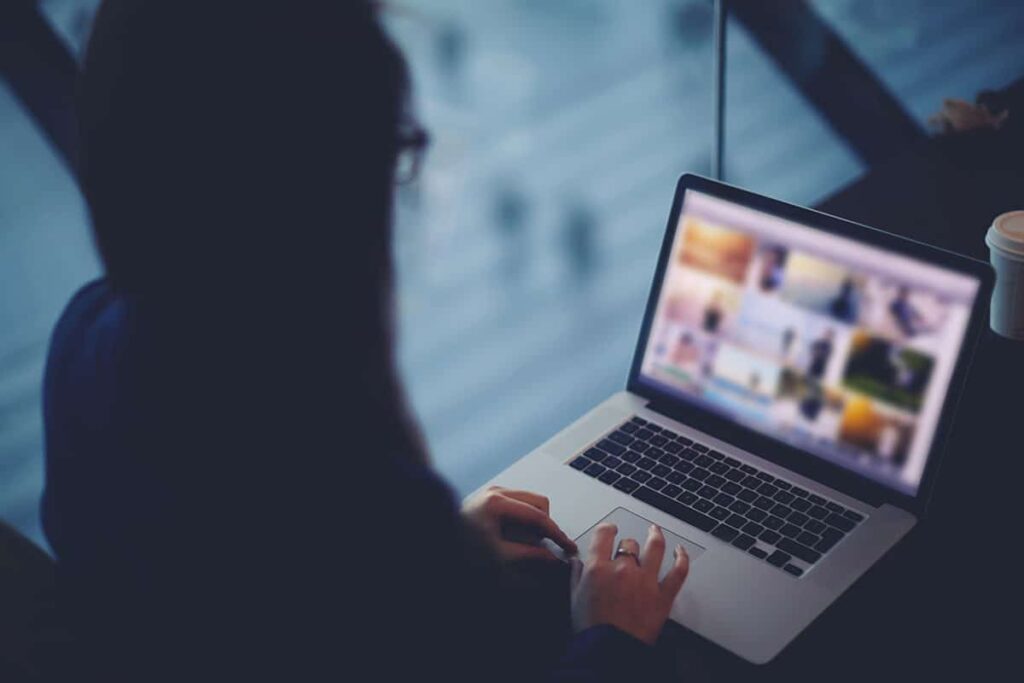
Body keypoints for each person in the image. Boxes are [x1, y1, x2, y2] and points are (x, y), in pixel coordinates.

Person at [41, 2, 689, 681]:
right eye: (394, 149)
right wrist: (610, 640)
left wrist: (437, 550)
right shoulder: (344, 492)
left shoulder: (83, 337)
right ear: (318, 192)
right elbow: (325, 570)